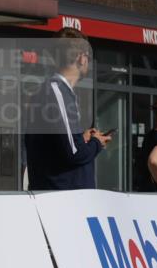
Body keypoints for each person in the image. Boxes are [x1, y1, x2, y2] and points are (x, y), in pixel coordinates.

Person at [24, 27, 111, 190]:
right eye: (88, 56)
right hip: (63, 197)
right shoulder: (57, 92)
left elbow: (59, 145)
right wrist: (96, 143)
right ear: (81, 58)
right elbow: (74, 152)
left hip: (60, 194)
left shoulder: (54, 91)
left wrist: (82, 138)